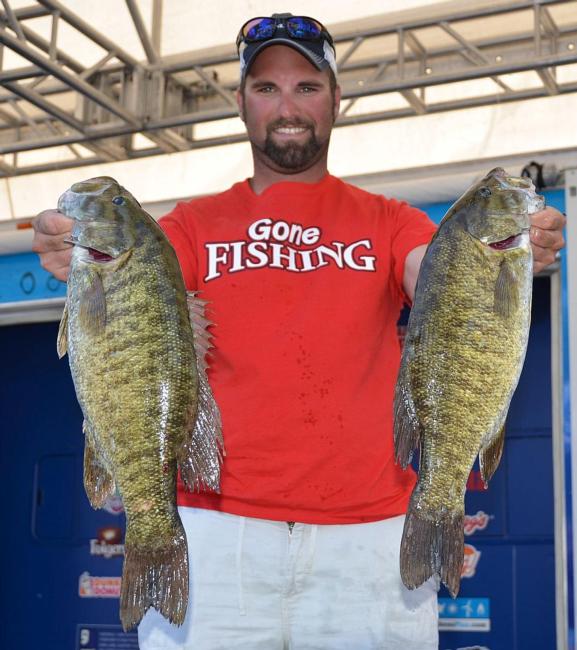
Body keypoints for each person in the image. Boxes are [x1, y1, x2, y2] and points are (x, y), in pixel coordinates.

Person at [32, 13, 566, 650]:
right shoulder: (188, 226)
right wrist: (73, 249)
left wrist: (495, 260)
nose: (287, 107)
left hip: (371, 541)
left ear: (336, 100)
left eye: (307, 87)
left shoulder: (391, 219)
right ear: (241, 103)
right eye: (266, 88)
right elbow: (130, 300)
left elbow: (435, 277)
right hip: (211, 536)